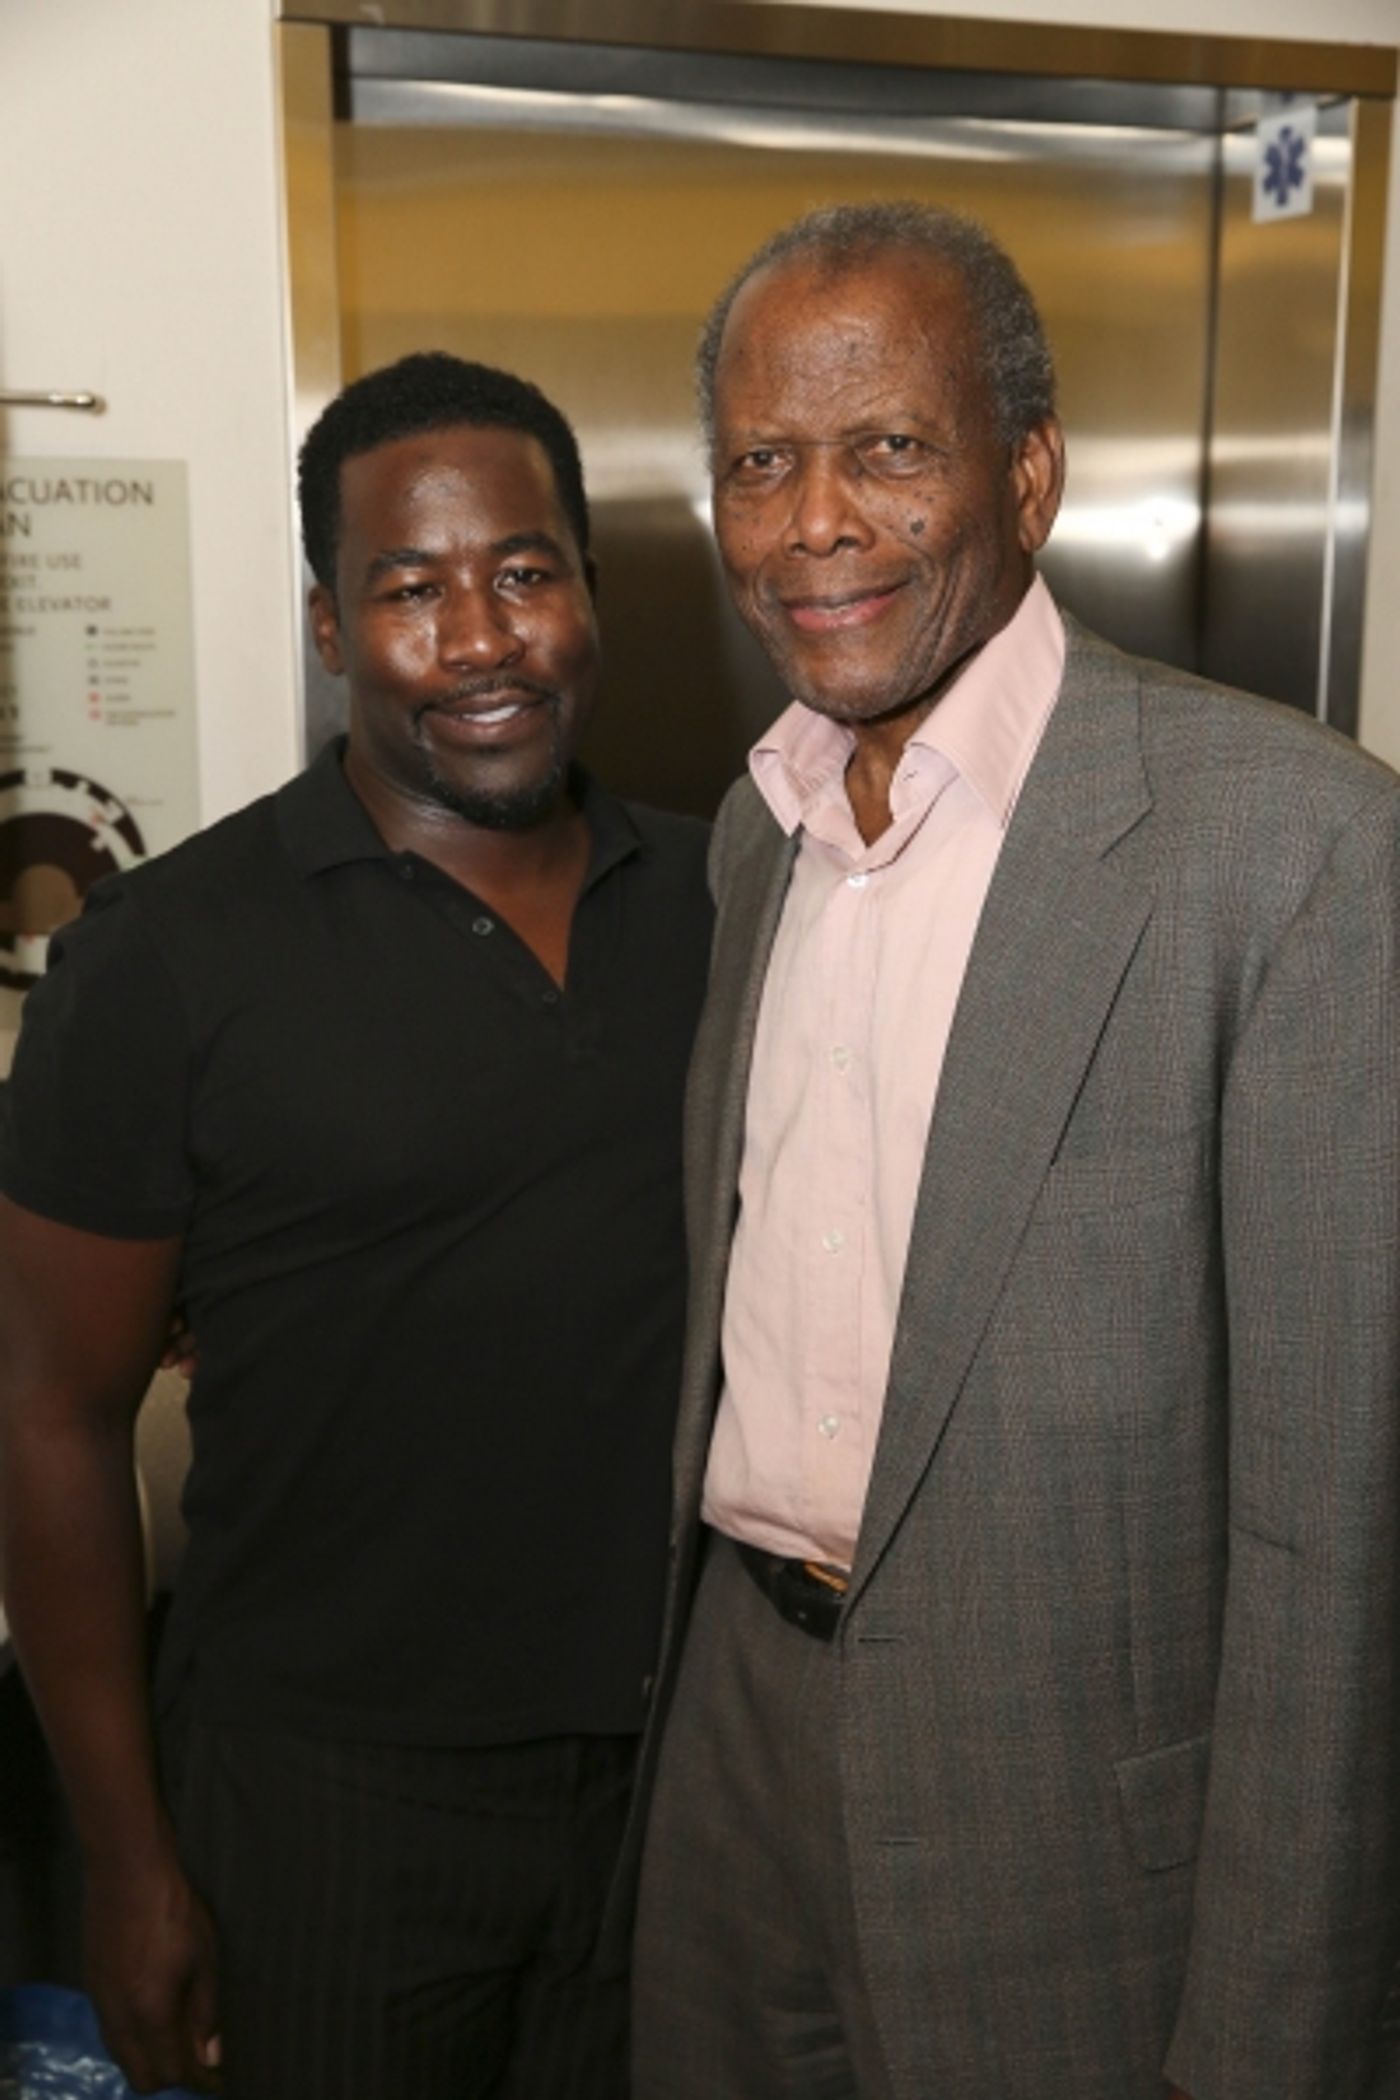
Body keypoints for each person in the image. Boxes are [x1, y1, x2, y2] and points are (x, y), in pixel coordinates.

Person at [628, 201, 1400, 2100]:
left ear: (1029, 475)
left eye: (888, 449)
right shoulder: (757, 835)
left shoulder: (1291, 851)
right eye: (759, 462)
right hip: (736, 1733)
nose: (814, 520)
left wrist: (1275, 2044)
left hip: (1071, 1821)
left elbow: (1337, 1550)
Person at [0, 352, 711, 2100]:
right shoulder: (165, 959)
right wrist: (126, 1858)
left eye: (525, 571)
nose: (482, 638)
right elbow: (49, 1417)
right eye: (410, 588)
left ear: (588, 596)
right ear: (330, 628)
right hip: (322, 1805)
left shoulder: (729, 896)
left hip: (679, 1789)